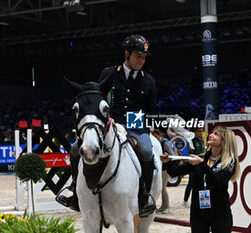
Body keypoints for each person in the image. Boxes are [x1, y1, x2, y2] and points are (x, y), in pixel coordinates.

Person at [58, 35, 158, 218]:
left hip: (136, 125)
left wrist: (160, 130)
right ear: (126, 54)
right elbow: (98, 98)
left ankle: (144, 198)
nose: (142, 60)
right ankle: (74, 190)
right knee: (74, 149)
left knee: (146, 151)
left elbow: (152, 110)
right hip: (111, 123)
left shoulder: (149, 81)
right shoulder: (109, 73)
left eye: (144, 57)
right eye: (138, 56)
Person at [161, 126, 240, 233]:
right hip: (198, 212)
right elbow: (175, 172)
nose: (210, 135)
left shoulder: (229, 162)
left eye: (216, 134)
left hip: (220, 213)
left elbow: (217, 181)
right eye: (212, 133)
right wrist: (167, 162)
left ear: (224, 140)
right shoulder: (201, 158)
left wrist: (202, 164)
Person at [152, 129, 174, 214]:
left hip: (165, 168)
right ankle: (163, 206)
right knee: (161, 188)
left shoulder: (164, 142)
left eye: (155, 136)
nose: (154, 138)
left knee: (163, 187)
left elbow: (171, 154)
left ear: (159, 135)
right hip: (161, 168)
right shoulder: (160, 142)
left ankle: (167, 206)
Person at [183, 127, 205, 208]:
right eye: (199, 131)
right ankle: (185, 200)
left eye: (202, 131)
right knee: (191, 183)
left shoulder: (202, 140)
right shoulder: (192, 141)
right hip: (195, 165)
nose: (201, 132)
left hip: (202, 164)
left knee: (202, 183)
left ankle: (202, 201)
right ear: (194, 132)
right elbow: (191, 154)